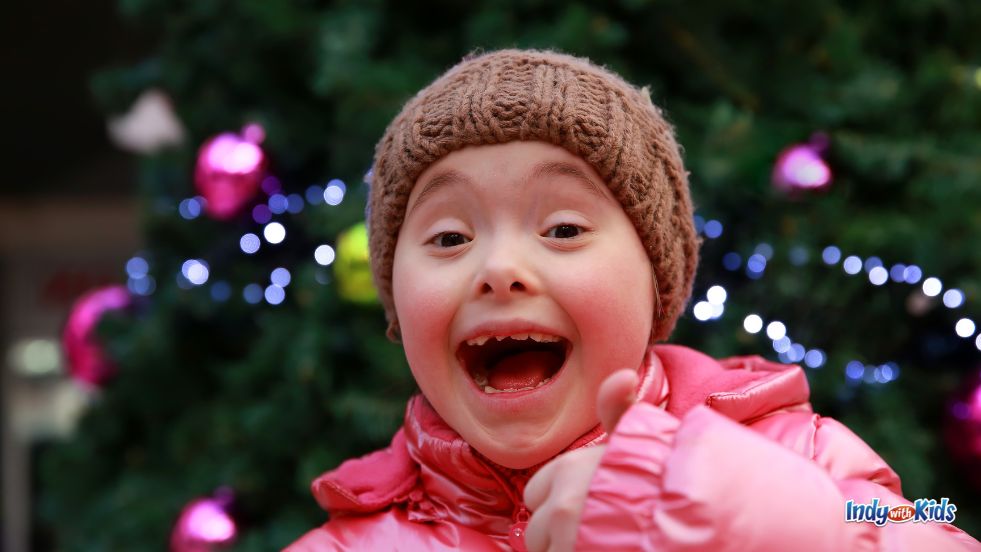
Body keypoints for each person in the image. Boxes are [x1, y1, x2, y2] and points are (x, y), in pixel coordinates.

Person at [287, 49, 978, 551]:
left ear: (654, 280)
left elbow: (932, 525)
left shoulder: (797, 454)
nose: (497, 269)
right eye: (447, 237)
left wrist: (779, 524)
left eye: (561, 228)